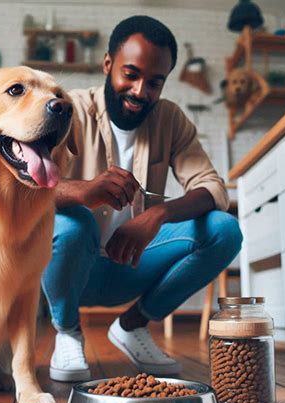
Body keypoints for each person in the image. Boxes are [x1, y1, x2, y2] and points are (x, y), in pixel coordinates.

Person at [42, 15, 243, 382]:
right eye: (130, 75)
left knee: (225, 230)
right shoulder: (67, 110)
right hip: (70, 269)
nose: (140, 91)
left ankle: (133, 327)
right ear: (108, 64)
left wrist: (158, 215)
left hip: (131, 265)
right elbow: (27, 190)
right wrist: (84, 190)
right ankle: (67, 332)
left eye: (154, 82)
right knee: (73, 223)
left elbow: (213, 186)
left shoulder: (171, 119)